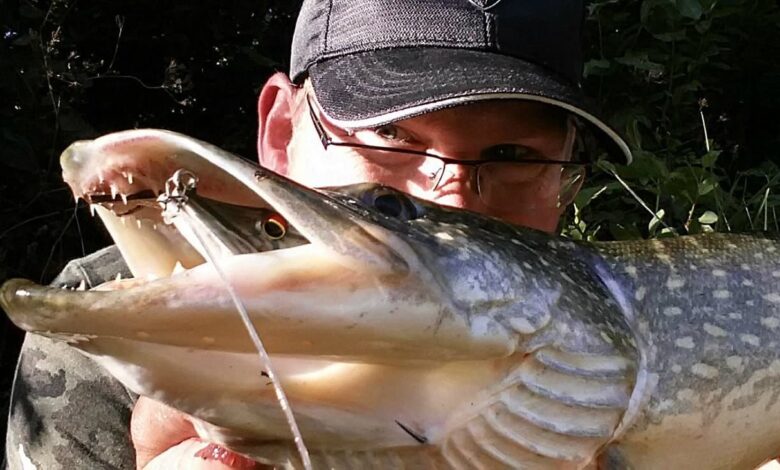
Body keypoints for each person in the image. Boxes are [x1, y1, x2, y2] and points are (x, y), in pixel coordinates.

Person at [5, 0, 632, 469]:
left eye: (515, 154)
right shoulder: (99, 329)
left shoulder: (618, 323)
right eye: (389, 135)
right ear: (281, 133)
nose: (452, 199)